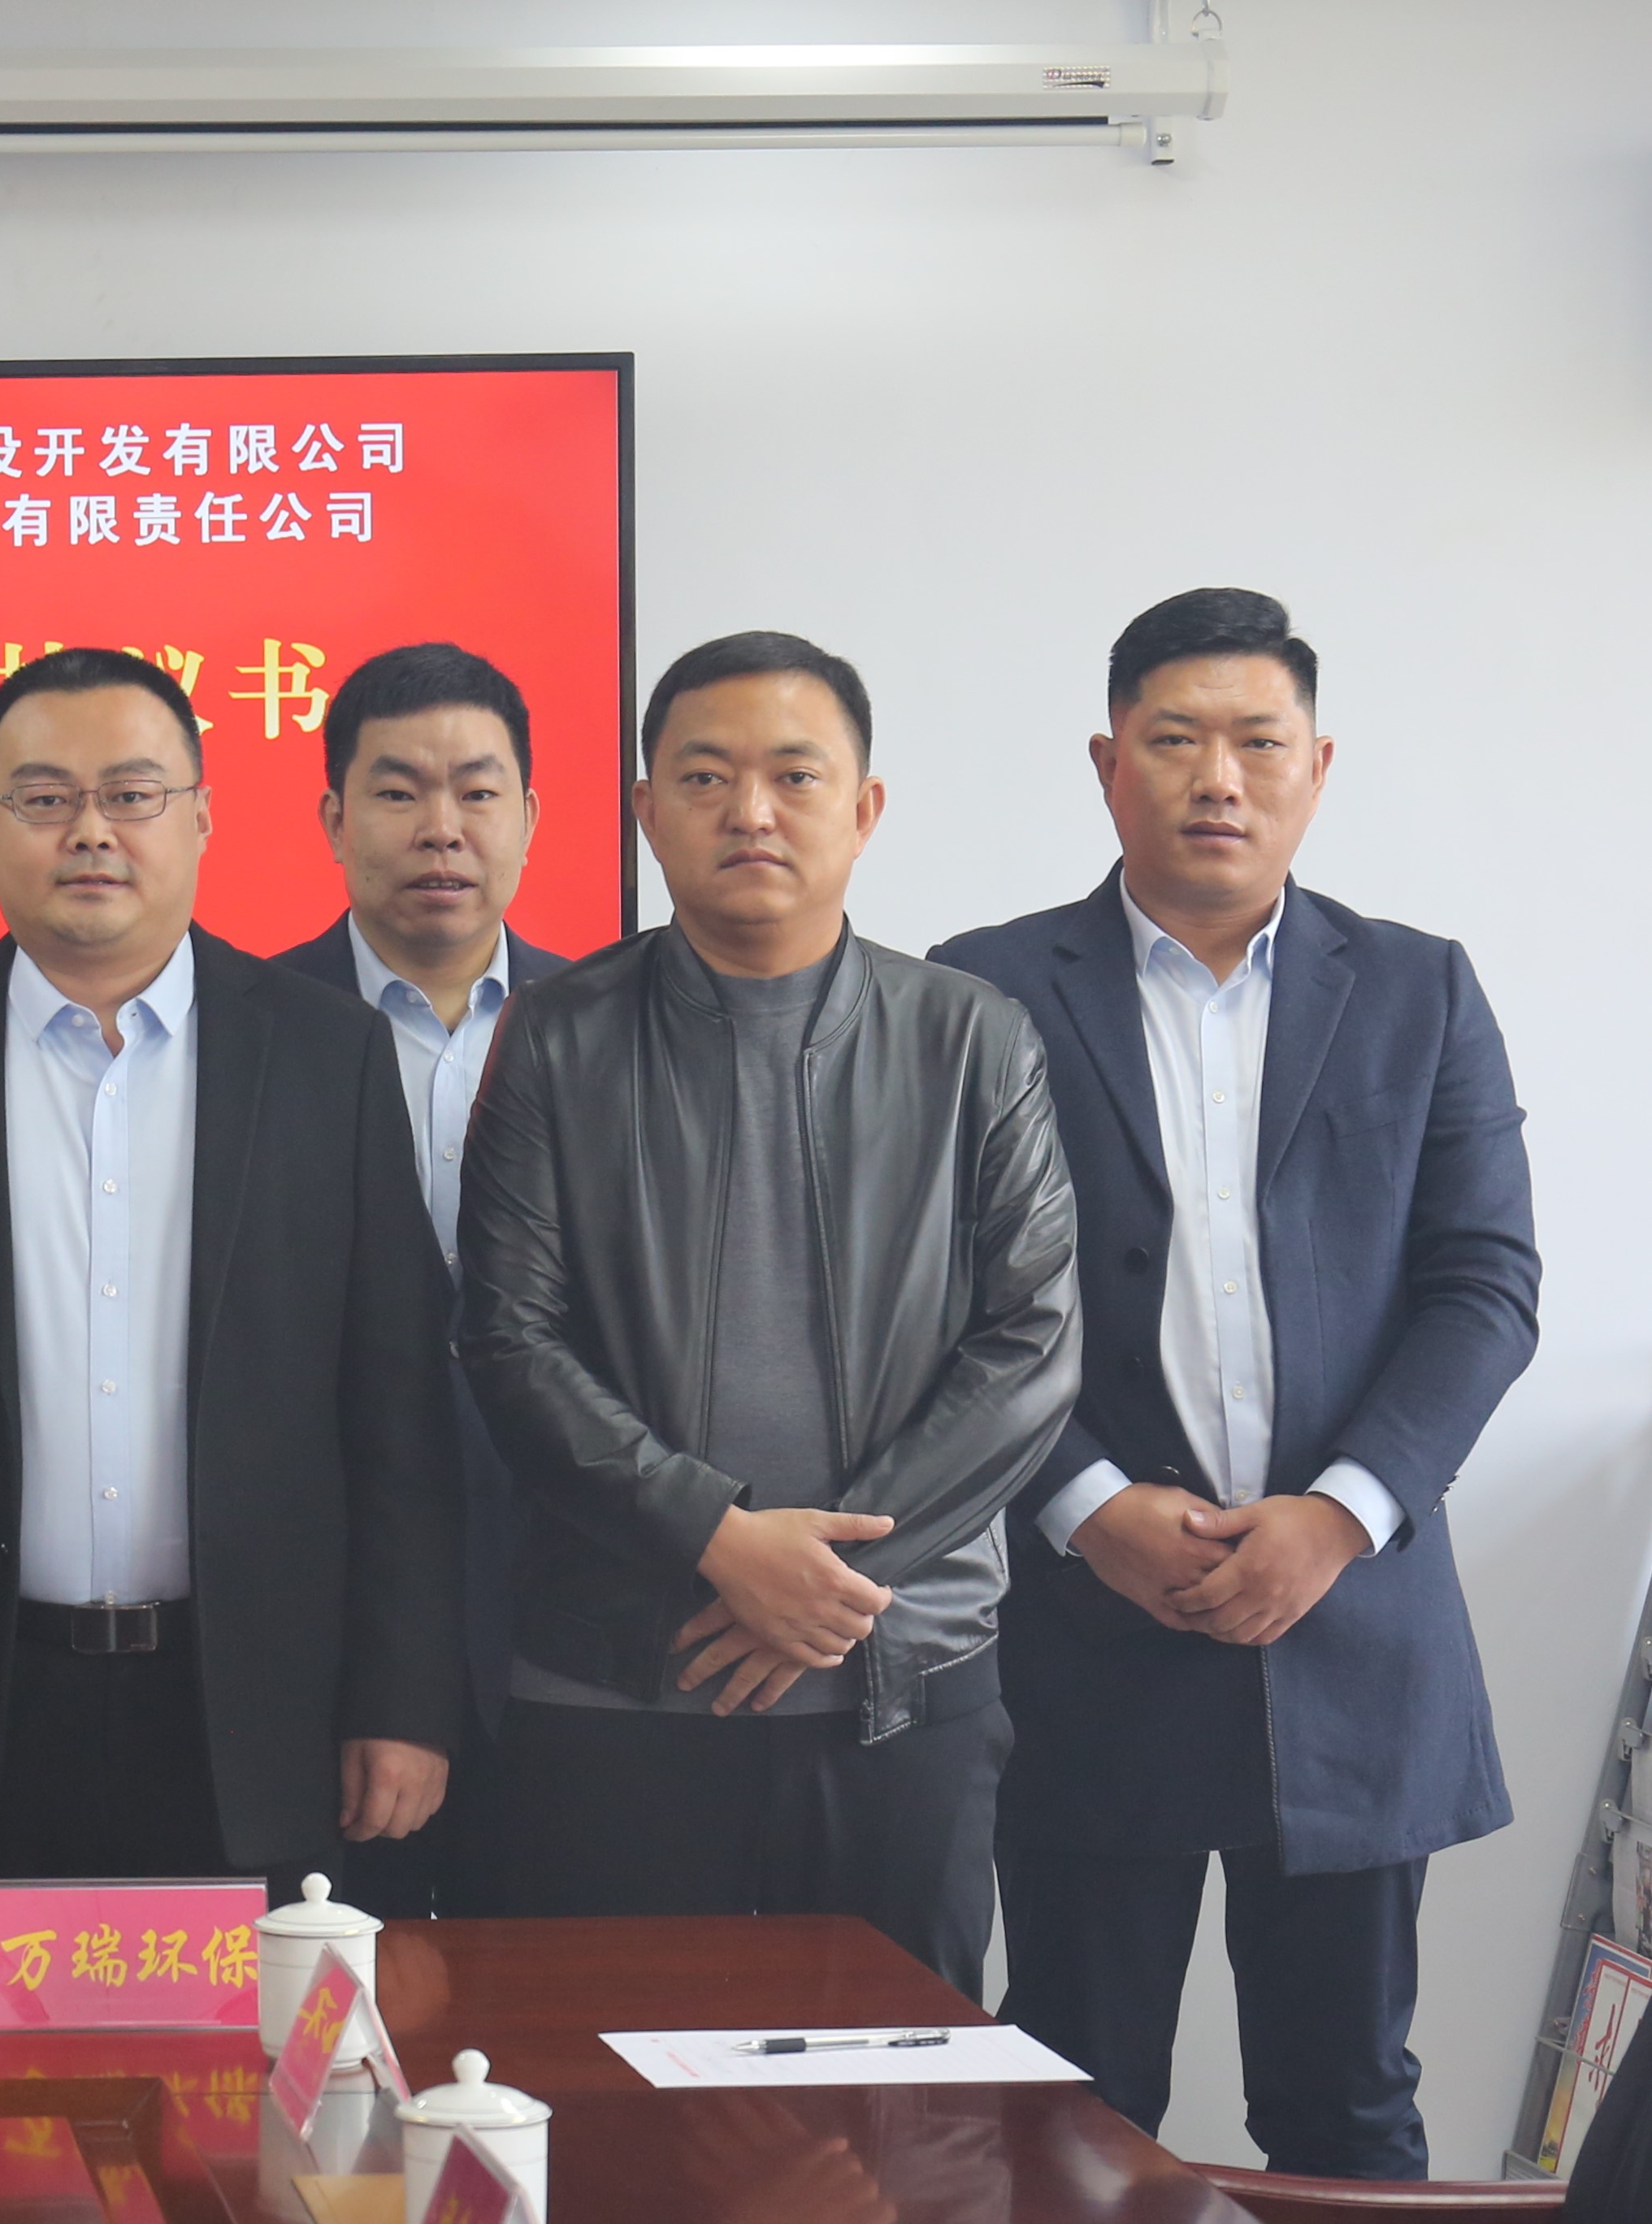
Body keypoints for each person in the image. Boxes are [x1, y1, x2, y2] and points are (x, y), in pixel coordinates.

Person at [931, 590, 1538, 2174]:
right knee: (1068, 2098)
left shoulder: (1414, 990)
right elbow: (936, 1303)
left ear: (1313, 767)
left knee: (1345, 2106)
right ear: (1105, 762)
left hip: (1348, 1625)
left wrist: (1335, 1517)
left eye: (1256, 741)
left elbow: (1481, 1285)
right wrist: (1083, 1504)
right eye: (1174, 738)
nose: (1217, 775)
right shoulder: (979, 991)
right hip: (1083, 1628)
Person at [0, 647, 466, 1920]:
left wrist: (402, 1695)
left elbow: (396, 1409)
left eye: (133, 794)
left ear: (199, 817)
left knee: (249, 2052)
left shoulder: (326, 1056)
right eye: (44, 798)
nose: (90, 831)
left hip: (253, 1707)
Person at [457, 631, 1079, 1996]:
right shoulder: (557, 1036)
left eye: (794, 775)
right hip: (617, 1680)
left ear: (863, 808)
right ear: (645, 809)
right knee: (606, 2079)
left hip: (899, 1679)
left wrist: (825, 1580)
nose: (750, 810)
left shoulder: (970, 1038)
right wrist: (717, 1537)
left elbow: (1031, 1347)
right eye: (705, 776)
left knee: (895, 2089)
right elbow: (507, 1341)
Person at [270, 641, 573, 1919]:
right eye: (396, 792)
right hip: (322, 1628)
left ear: (529, 816)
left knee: (557, 1996)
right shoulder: (247, 1033)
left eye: (477, 791)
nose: (441, 828)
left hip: (570, 1628)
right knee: (334, 1993)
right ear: (334, 819)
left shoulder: (609, 1027)